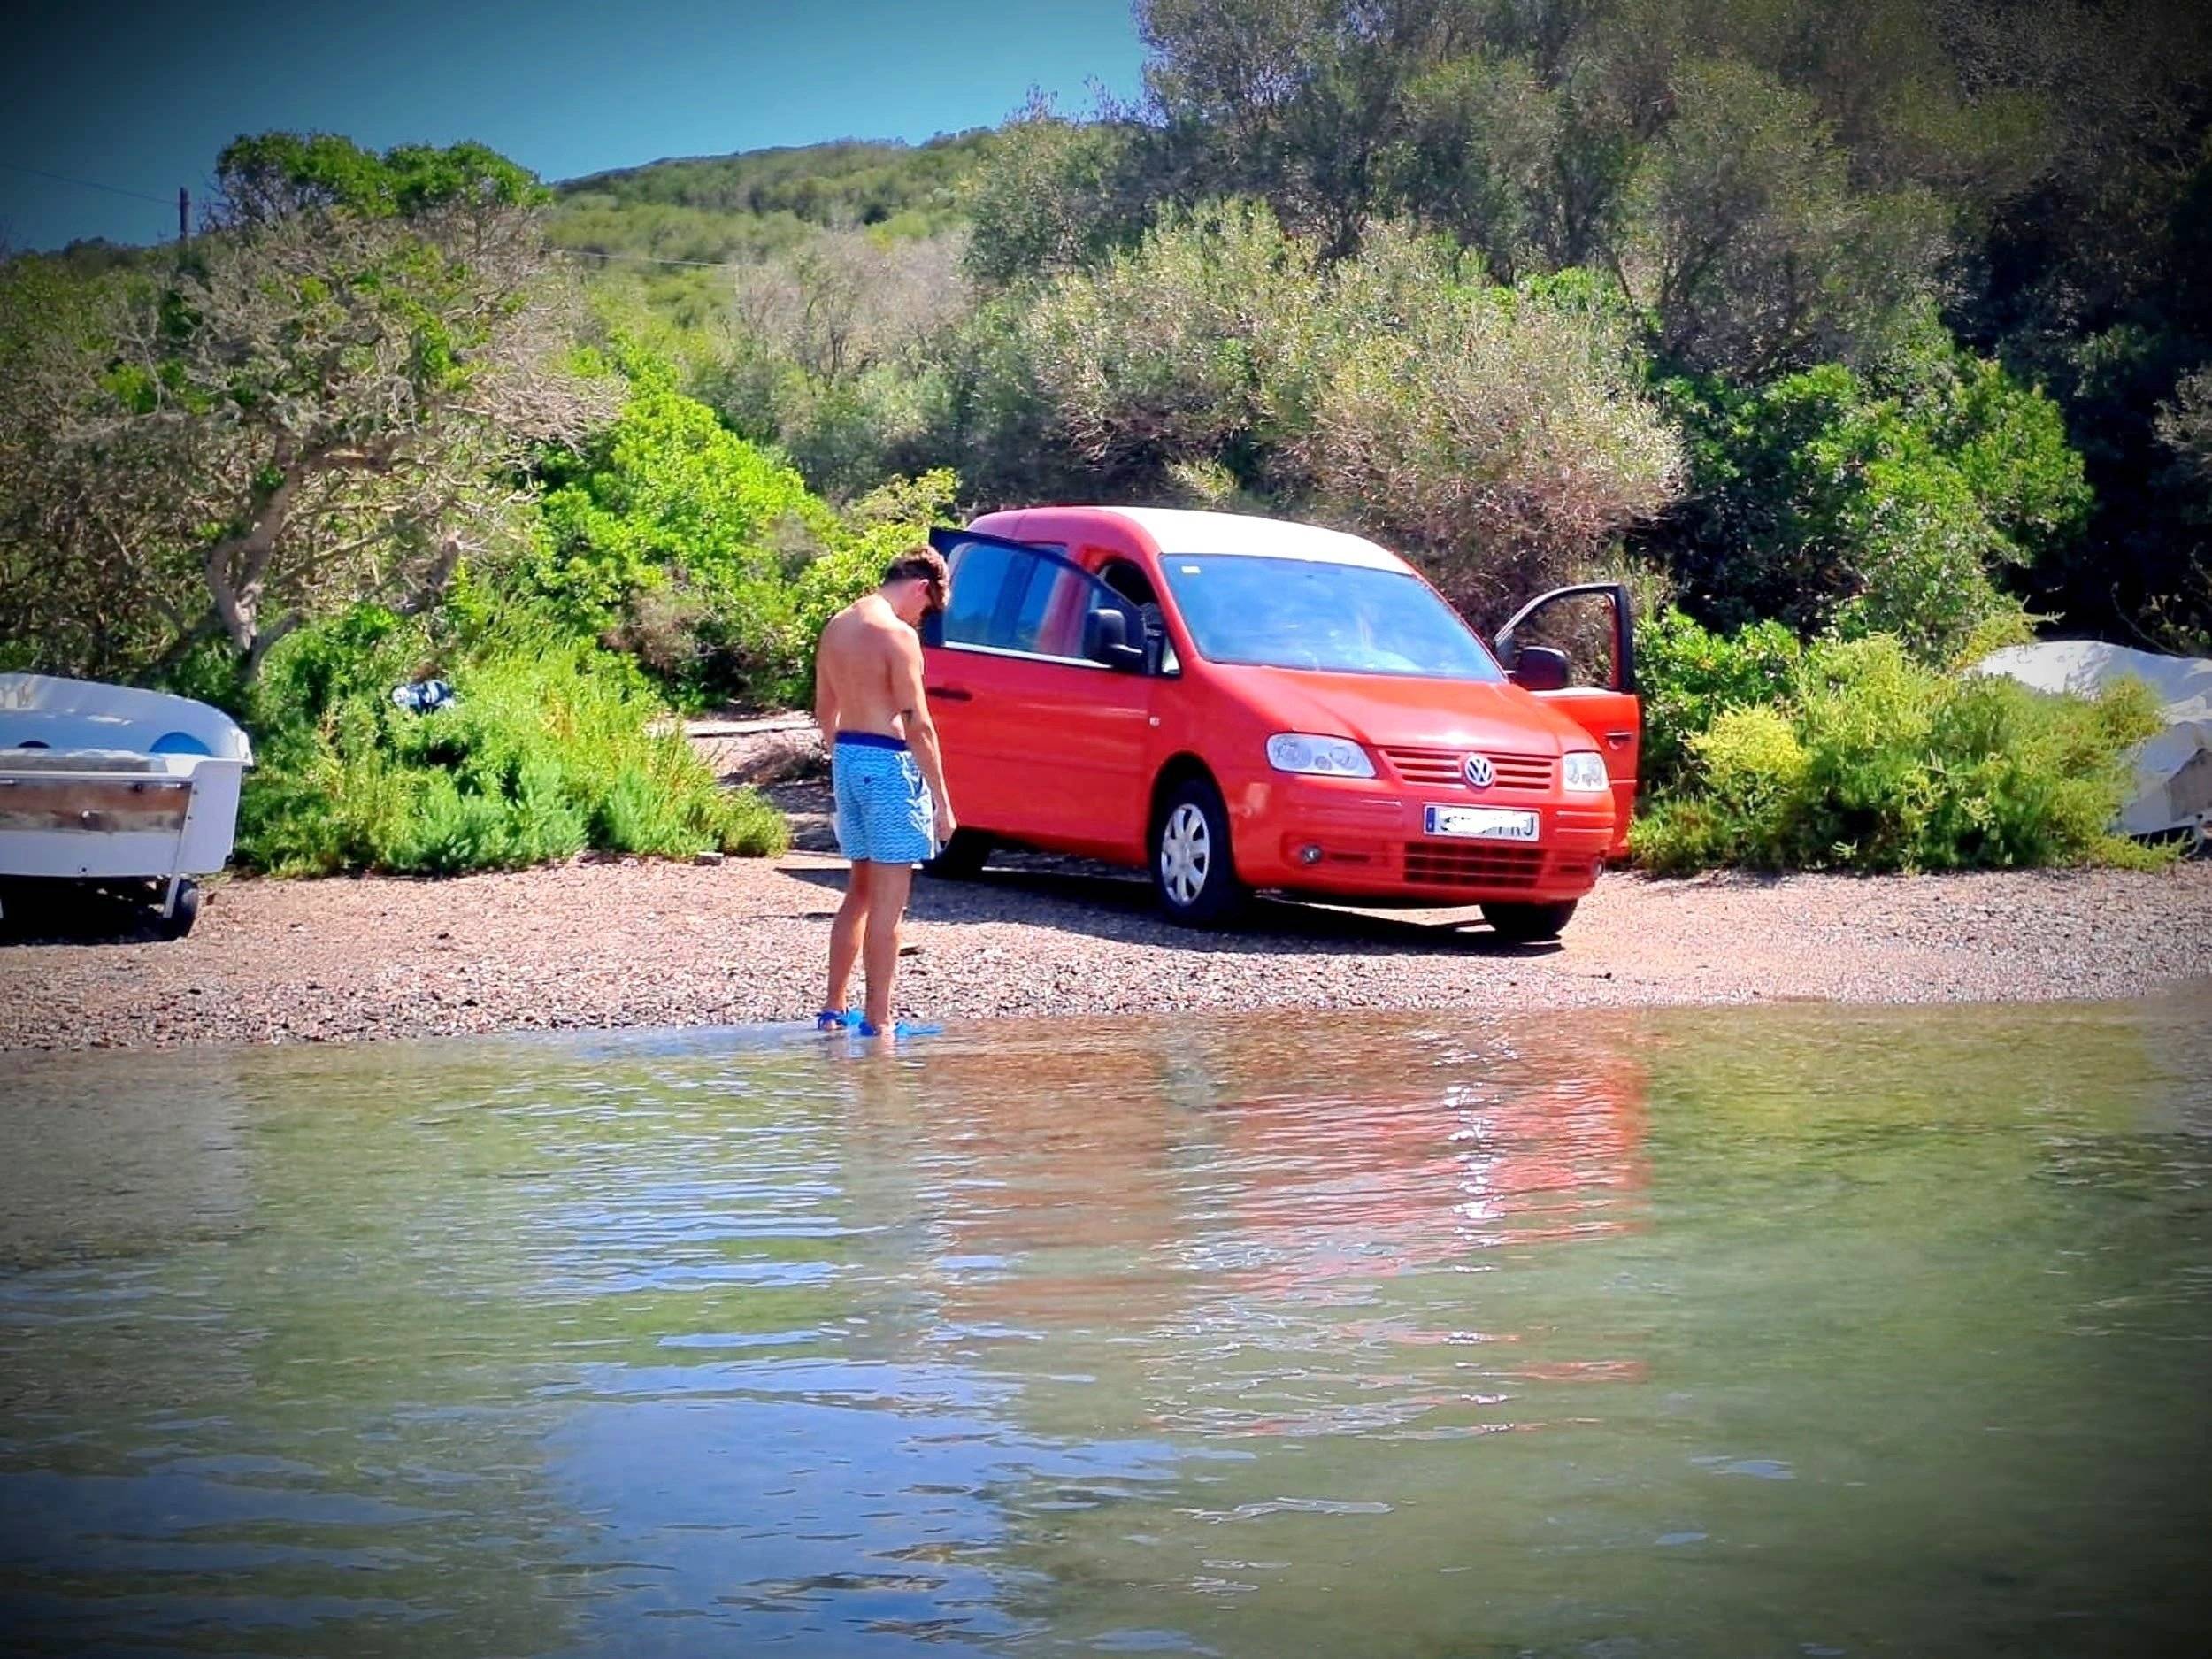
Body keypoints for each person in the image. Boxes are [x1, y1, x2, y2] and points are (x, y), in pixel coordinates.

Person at [813, 547, 956, 1035]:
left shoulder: (837, 625)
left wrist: (847, 761)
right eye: (930, 608)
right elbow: (918, 723)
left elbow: (823, 713)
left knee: (859, 892)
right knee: (890, 904)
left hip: (849, 757)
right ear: (921, 587)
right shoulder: (897, 635)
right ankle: (880, 1021)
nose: (924, 618)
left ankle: (833, 1009)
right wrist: (942, 801)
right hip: (888, 763)